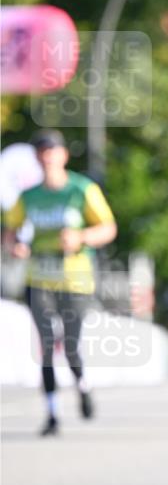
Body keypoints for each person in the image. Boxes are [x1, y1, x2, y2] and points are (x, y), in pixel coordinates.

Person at [3, 130, 117, 434]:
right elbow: (11, 232)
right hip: (39, 279)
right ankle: (52, 414)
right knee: (44, 345)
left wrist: (81, 237)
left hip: (75, 280)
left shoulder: (81, 189)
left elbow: (108, 228)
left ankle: (82, 385)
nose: (47, 157)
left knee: (70, 346)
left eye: (51, 151)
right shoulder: (28, 196)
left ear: (63, 155)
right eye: (41, 152)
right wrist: (15, 246)